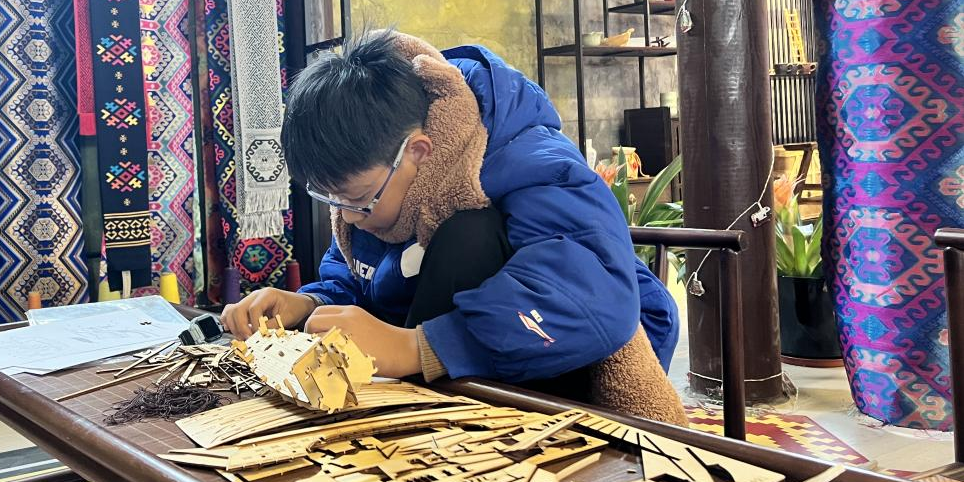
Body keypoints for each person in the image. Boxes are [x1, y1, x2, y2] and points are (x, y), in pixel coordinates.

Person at [222, 30, 683, 417]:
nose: (347, 217)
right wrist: (308, 303)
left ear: (417, 153)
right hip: (458, 365)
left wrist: (418, 348)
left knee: (470, 233)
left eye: (358, 199)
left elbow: (591, 296)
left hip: (566, 358)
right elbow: (358, 276)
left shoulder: (532, 160)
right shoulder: (375, 190)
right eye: (332, 200)